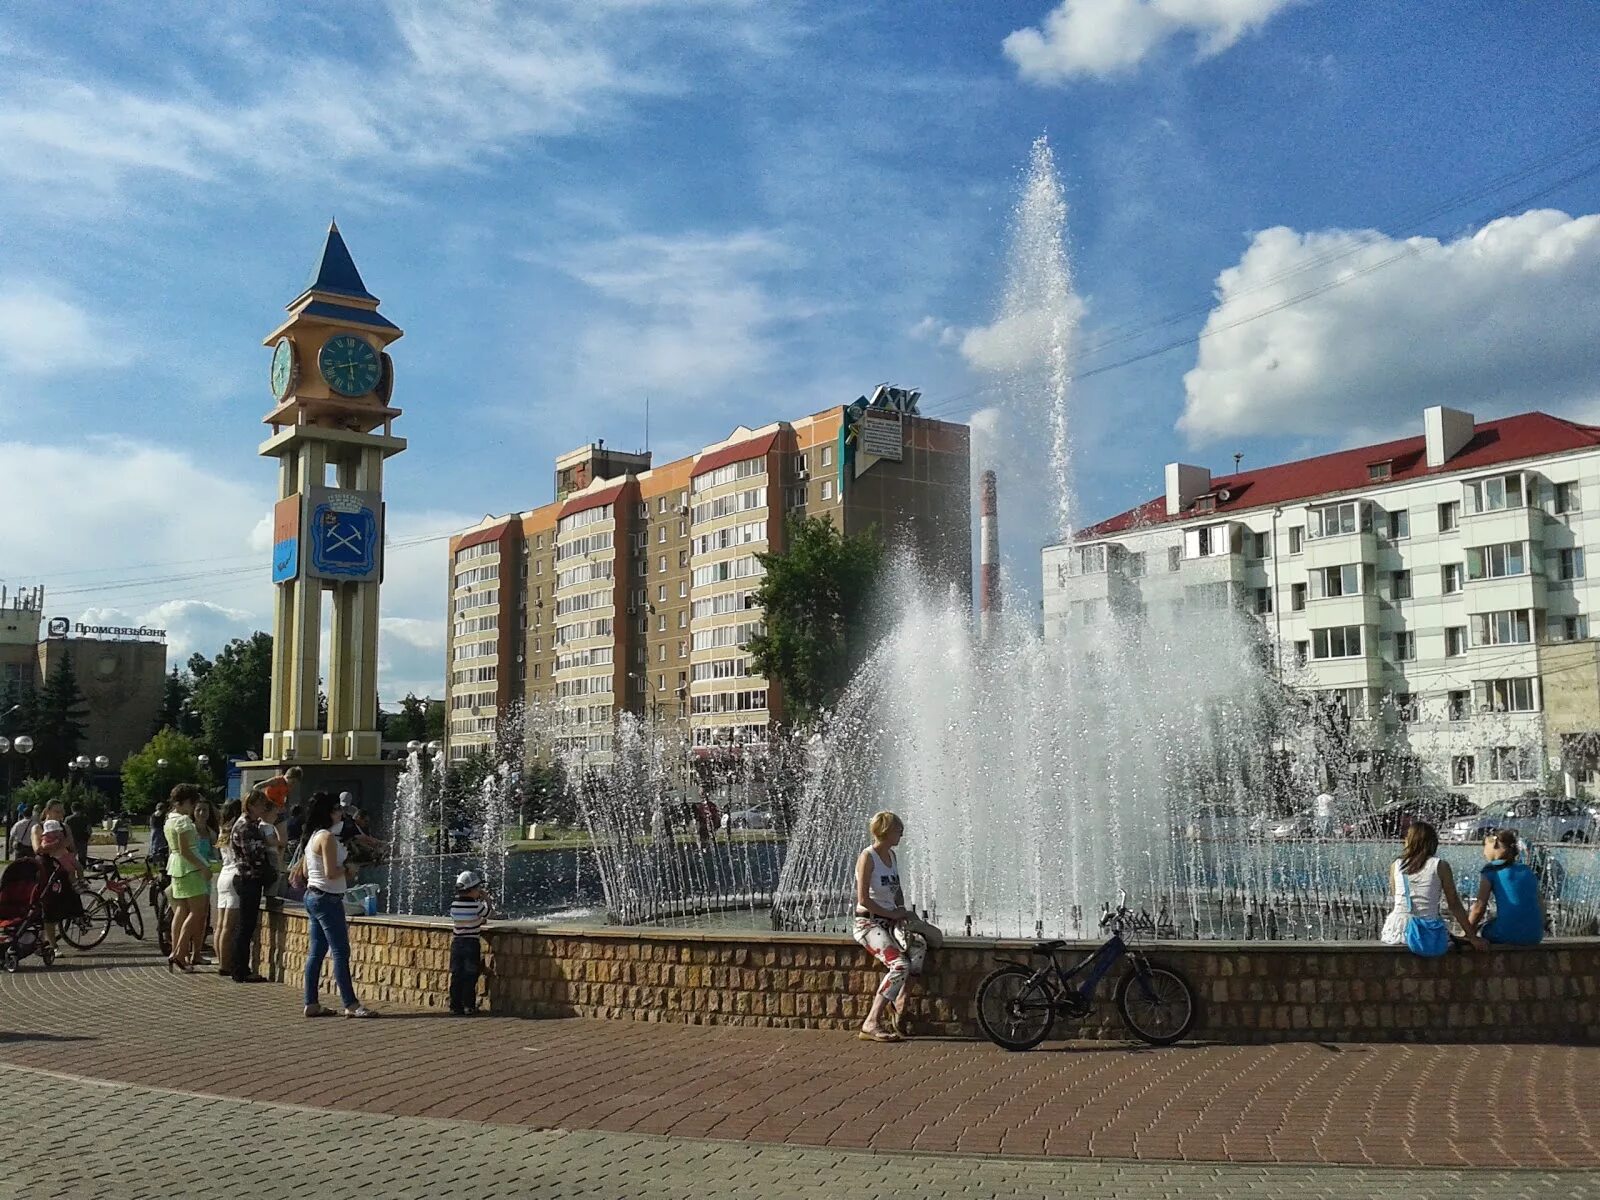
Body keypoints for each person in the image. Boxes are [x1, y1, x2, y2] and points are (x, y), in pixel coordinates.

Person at [299, 791, 376, 1018]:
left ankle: (311, 1002)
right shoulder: (327, 838)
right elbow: (332, 873)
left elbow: (305, 871)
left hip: (314, 896)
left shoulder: (314, 836)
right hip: (327, 899)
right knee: (341, 951)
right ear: (329, 813)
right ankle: (351, 1004)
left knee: (317, 951)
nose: (342, 813)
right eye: (337, 809)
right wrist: (349, 868)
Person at [851, 810, 923, 1042]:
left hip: (891, 921)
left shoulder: (891, 856)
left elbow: (897, 889)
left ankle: (900, 1001)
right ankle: (871, 1021)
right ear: (886, 831)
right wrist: (891, 913)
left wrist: (901, 911)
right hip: (868, 923)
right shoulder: (868, 857)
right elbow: (864, 899)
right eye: (898, 831)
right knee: (900, 964)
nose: (901, 835)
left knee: (919, 949)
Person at [1380, 821, 1484, 953]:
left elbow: (1398, 898)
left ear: (1409, 841)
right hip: (1427, 931)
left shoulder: (1396, 865)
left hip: (1397, 931)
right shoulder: (1440, 865)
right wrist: (1472, 936)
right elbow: (1454, 904)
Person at [163, 785, 212, 972]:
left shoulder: (170, 819)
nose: (193, 808)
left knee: (181, 911)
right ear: (184, 802)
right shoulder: (182, 820)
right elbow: (185, 850)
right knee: (197, 912)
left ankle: (176, 951)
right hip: (189, 868)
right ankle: (179, 953)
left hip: (176, 867)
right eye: (192, 803)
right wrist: (203, 867)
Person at [1467, 828, 1544, 946]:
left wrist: (1467, 932)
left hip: (1506, 935)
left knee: (1484, 929)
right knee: (1495, 921)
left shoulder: (1491, 870)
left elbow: (1479, 907)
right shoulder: (1527, 870)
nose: (1483, 852)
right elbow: (1541, 905)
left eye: (1485, 846)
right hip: (1535, 936)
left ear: (1495, 845)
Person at [227, 791, 275, 983]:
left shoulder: (251, 825)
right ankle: (240, 969)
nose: (265, 808)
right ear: (252, 806)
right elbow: (253, 855)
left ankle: (239, 967)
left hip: (249, 879)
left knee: (246, 925)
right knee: (245, 926)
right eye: (262, 805)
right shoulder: (246, 827)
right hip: (248, 880)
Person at [449, 870, 490, 1016]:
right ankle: (468, 1005)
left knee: (456, 974)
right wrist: (487, 900)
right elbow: (487, 913)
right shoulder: (476, 906)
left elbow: (459, 919)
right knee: (470, 975)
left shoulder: (454, 905)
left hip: (457, 943)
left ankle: (455, 1005)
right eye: (478, 889)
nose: (479, 892)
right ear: (471, 890)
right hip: (471, 944)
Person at [213, 799, 243, 976]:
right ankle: (226, 964)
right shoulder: (237, 828)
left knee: (220, 924)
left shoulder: (223, 829)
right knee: (228, 926)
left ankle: (220, 959)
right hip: (234, 874)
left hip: (223, 874)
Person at [65, 804, 92, 869]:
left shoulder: (68, 819)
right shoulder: (85, 818)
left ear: (72, 809)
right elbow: (89, 830)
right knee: (82, 856)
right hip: (82, 839)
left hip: (72, 839)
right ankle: (82, 869)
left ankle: (70, 867)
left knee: (71, 855)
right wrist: (89, 836)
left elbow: (65, 830)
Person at [146, 801, 170, 867]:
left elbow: (151, 824)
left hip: (153, 830)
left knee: (153, 844)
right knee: (160, 846)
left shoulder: (153, 815)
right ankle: (159, 860)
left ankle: (154, 858)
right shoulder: (162, 814)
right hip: (160, 831)